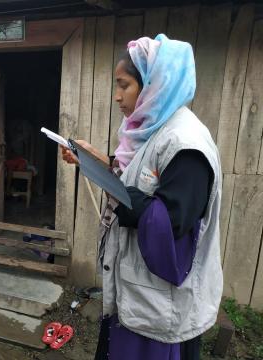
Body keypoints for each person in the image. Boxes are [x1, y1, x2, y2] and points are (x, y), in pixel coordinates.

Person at [61, 34, 222, 360]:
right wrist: (98, 162)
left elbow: (167, 223)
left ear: (154, 84)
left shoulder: (186, 145)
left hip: (161, 313)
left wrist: (112, 185)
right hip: (139, 298)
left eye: (124, 85)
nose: (116, 96)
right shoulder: (153, 131)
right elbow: (142, 180)